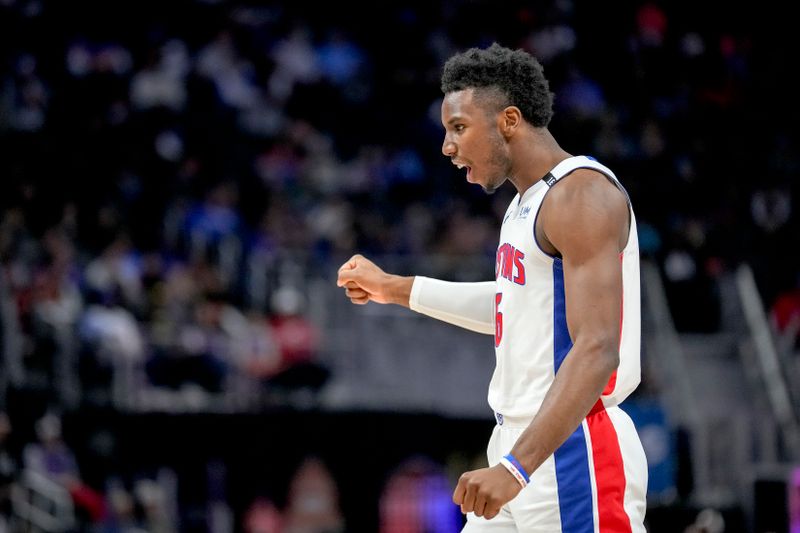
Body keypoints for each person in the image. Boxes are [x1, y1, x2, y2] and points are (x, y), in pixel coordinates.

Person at [336, 43, 647, 532]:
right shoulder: (525, 205)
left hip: (573, 453)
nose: (447, 146)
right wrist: (395, 288)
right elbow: (514, 307)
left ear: (508, 120)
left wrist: (516, 469)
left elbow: (598, 347)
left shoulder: (582, 194)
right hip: (518, 446)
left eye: (459, 128)